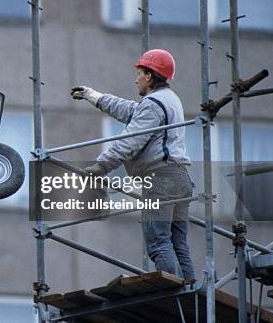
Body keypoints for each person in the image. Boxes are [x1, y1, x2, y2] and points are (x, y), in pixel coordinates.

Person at [70, 49, 196, 280]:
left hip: (161, 180)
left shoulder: (153, 104)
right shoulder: (167, 100)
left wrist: (100, 168)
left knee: (158, 242)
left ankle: (175, 296)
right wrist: (94, 96)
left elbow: (131, 141)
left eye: (139, 73)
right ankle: (191, 298)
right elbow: (130, 111)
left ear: (149, 76)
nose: (135, 78)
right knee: (178, 244)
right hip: (180, 179)